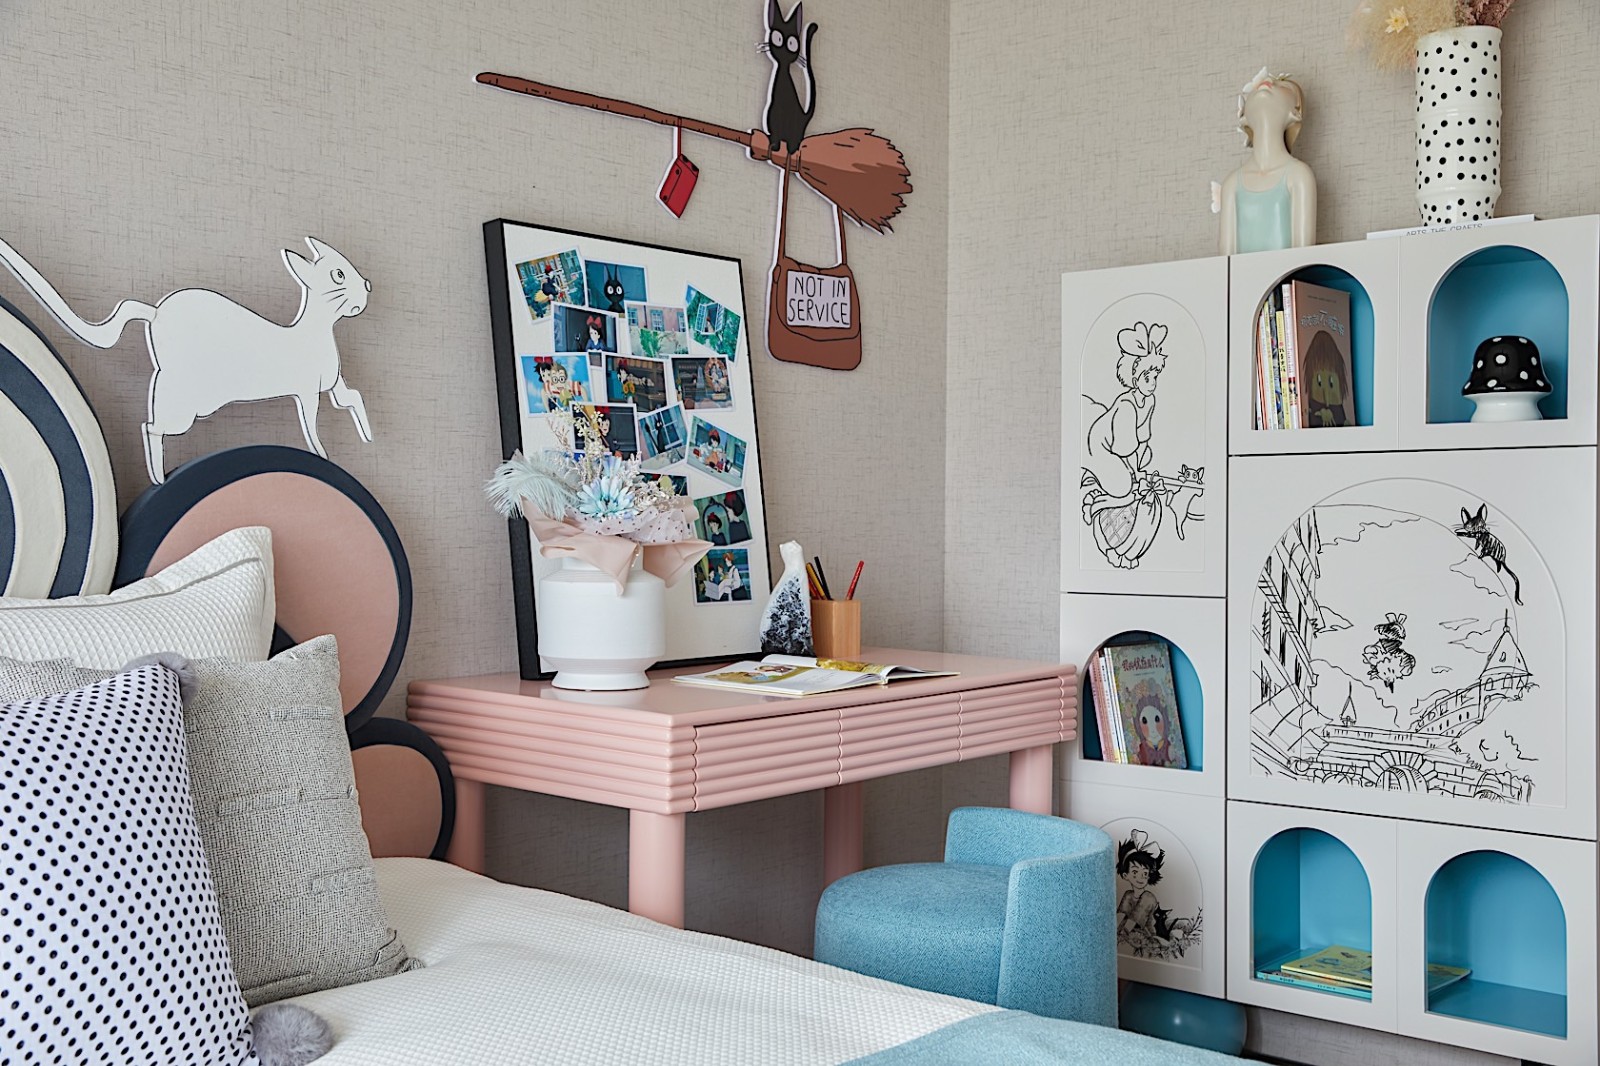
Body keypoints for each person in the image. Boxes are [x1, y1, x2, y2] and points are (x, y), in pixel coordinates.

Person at [1081, 322, 1169, 568]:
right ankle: (1095, 505)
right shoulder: (1126, 405)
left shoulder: (1148, 401)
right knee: (1124, 487)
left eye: (1155, 376)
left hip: (1122, 451)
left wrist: (1138, 469)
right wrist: (1134, 475)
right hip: (1102, 448)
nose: (1152, 382)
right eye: (1147, 377)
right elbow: (1124, 448)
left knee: (1140, 471)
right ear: (1134, 377)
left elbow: (1142, 440)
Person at [1216, 69, 1316, 254]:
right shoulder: (1232, 184)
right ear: (1244, 117)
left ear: (1295, 113)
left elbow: (1302, 258)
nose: (1269, 81)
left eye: (1282, 85)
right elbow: (1225, 263)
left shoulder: (1298, 175)